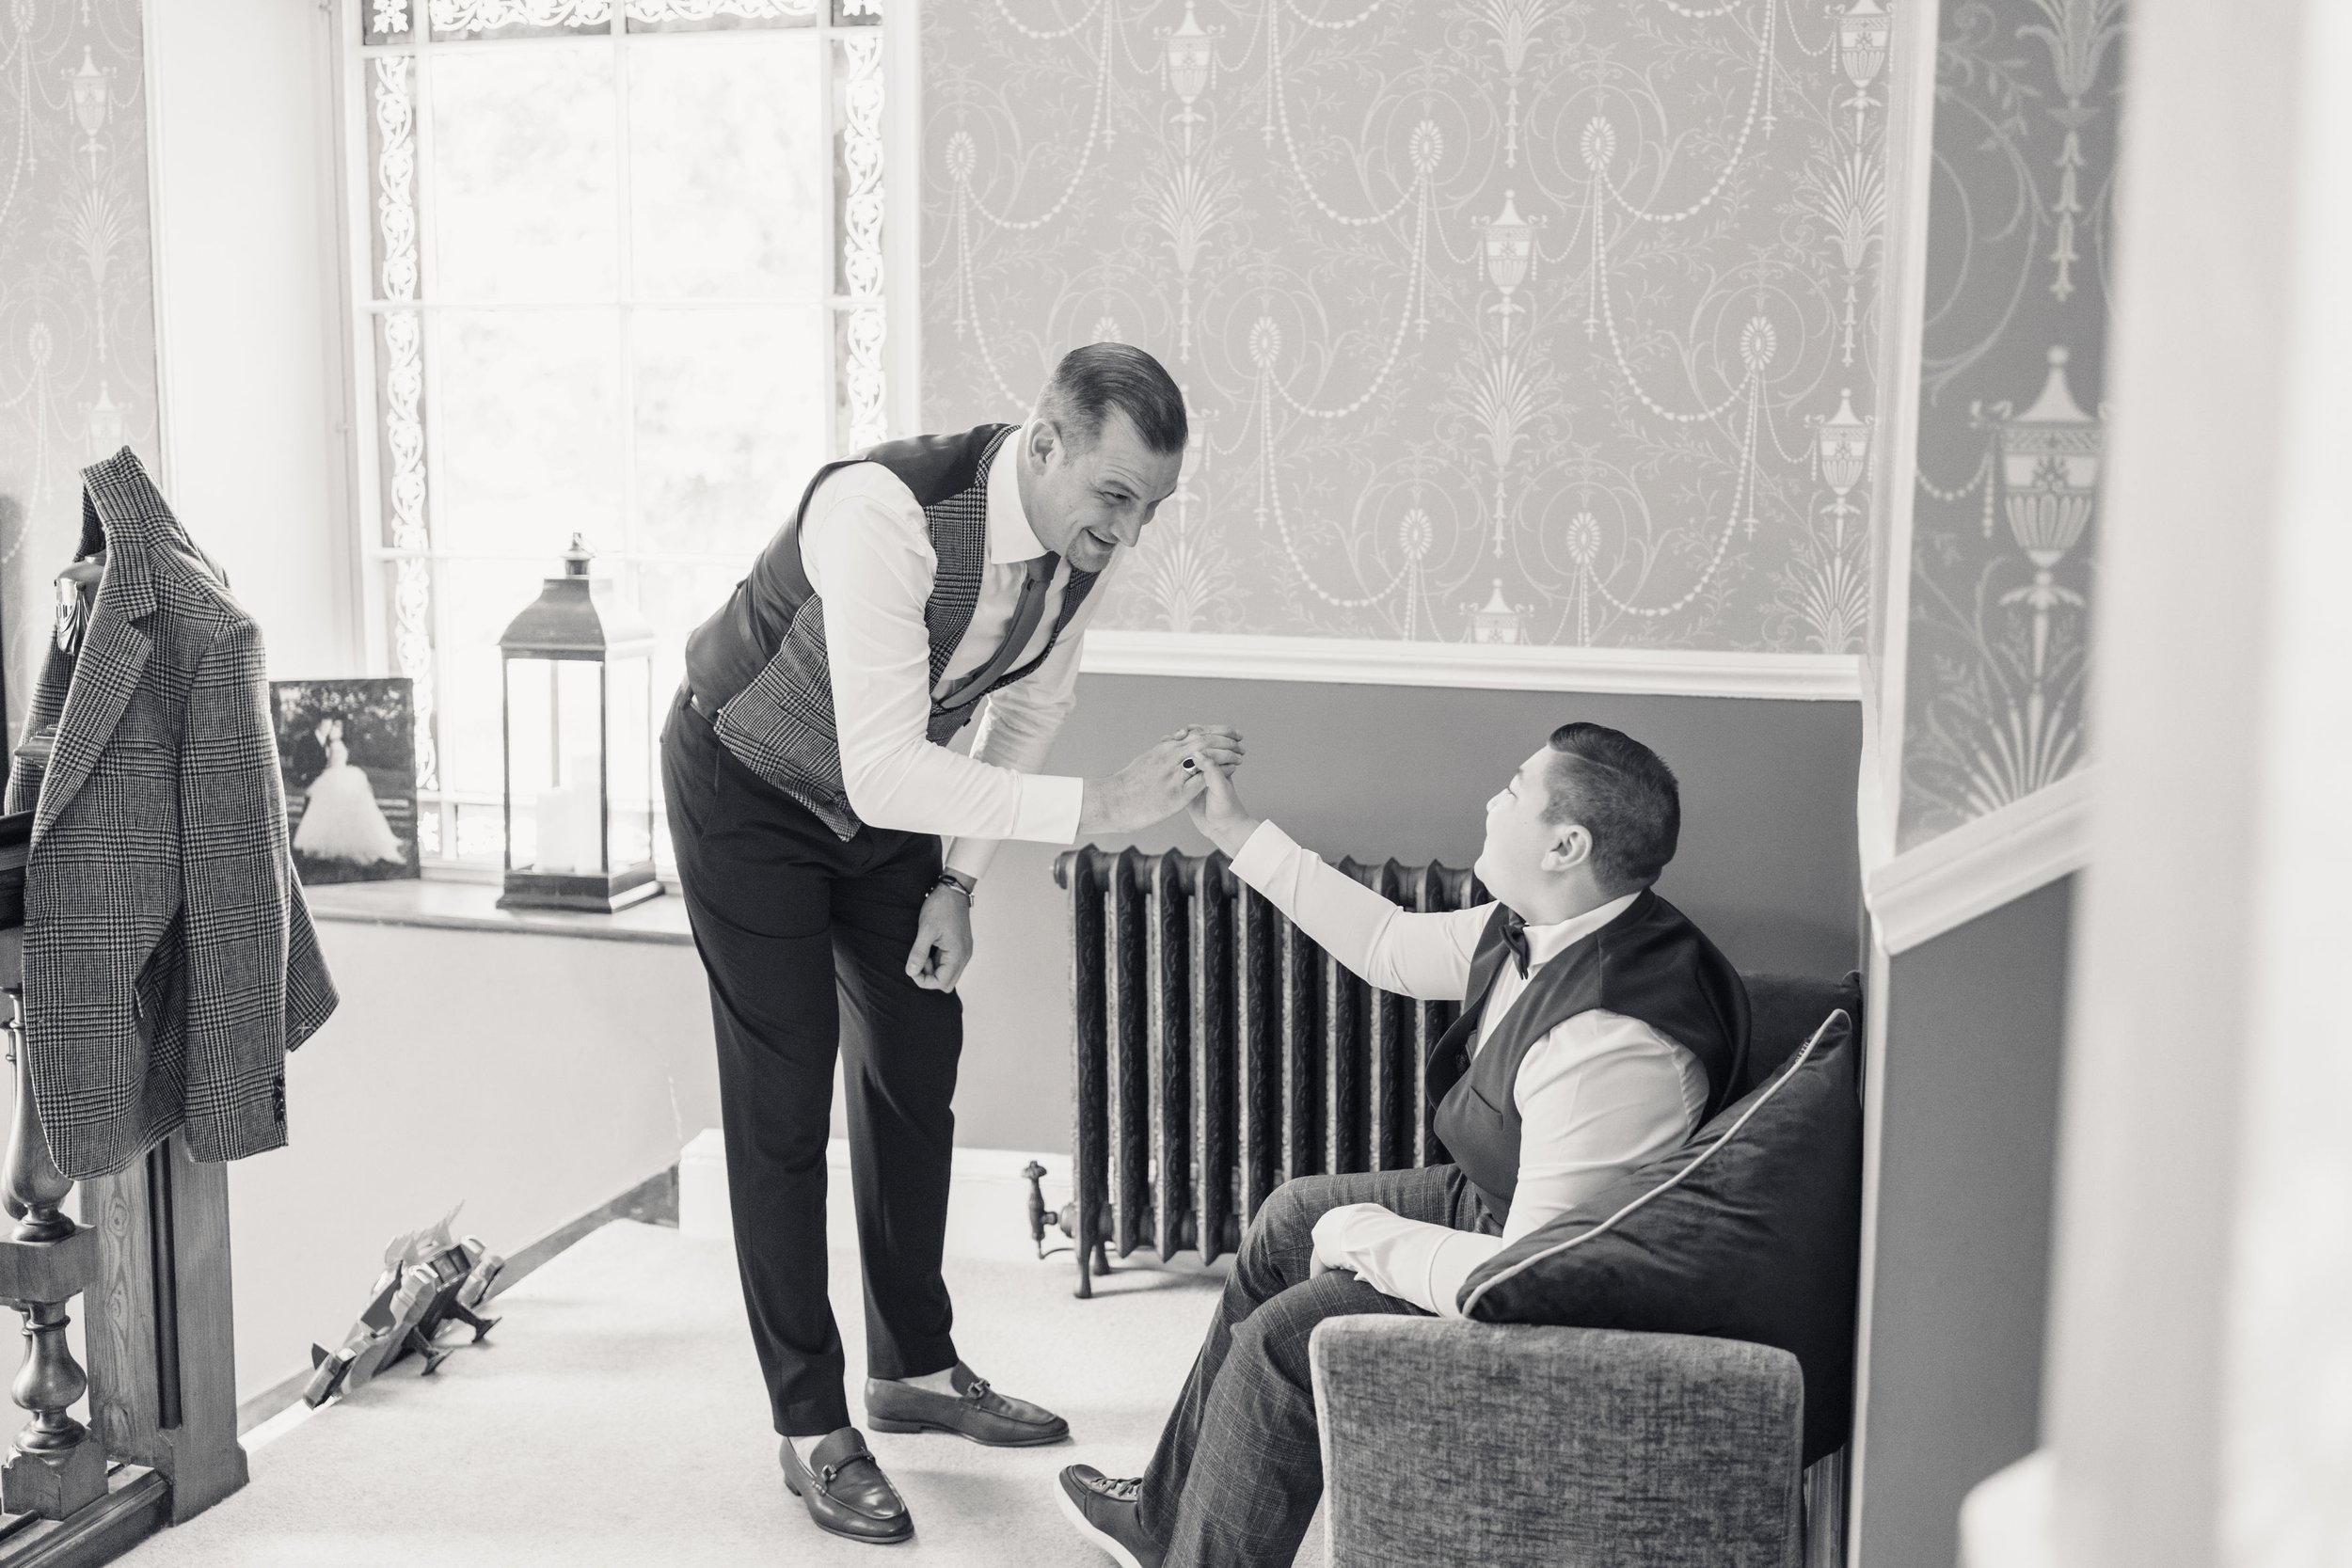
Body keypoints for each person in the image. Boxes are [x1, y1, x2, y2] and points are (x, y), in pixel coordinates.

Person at [663, 343, 1242, 1547]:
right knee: (782, 1098)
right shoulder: (884, 510)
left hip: (888, 814)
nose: (1128, 536)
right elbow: (880, 763)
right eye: (1115, 499)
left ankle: (913, 1366)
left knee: (916, 1058)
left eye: (1151, 509)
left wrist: (957, 882)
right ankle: (811, 1420)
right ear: (1044, 444)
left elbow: (1022, 708)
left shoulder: (1081, 550)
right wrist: (1101, 808)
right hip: (750, 783)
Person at [1056, 722, 1751, 1568]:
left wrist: (1362, 1238)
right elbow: (1388, 945)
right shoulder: (1542, 922)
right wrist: (1234, 831)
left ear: (1567, 844)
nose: (1494, 800)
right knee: (1286, 1218)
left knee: (1290, 1335)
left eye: (1515, 789)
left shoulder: (1608, 1037)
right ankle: (1165, 1520)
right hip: (1507, 1203)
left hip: (1555, 1282)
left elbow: (1528, 1279)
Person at [293, 718, 405, 865]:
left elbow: (330, 765)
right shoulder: (337, 745)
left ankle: (332, 843)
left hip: (334, 775)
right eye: (331, 728)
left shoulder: (334, 745)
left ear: (339, 732)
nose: (331, 731)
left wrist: (318, 774)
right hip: (340, 774)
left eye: (334, 729)